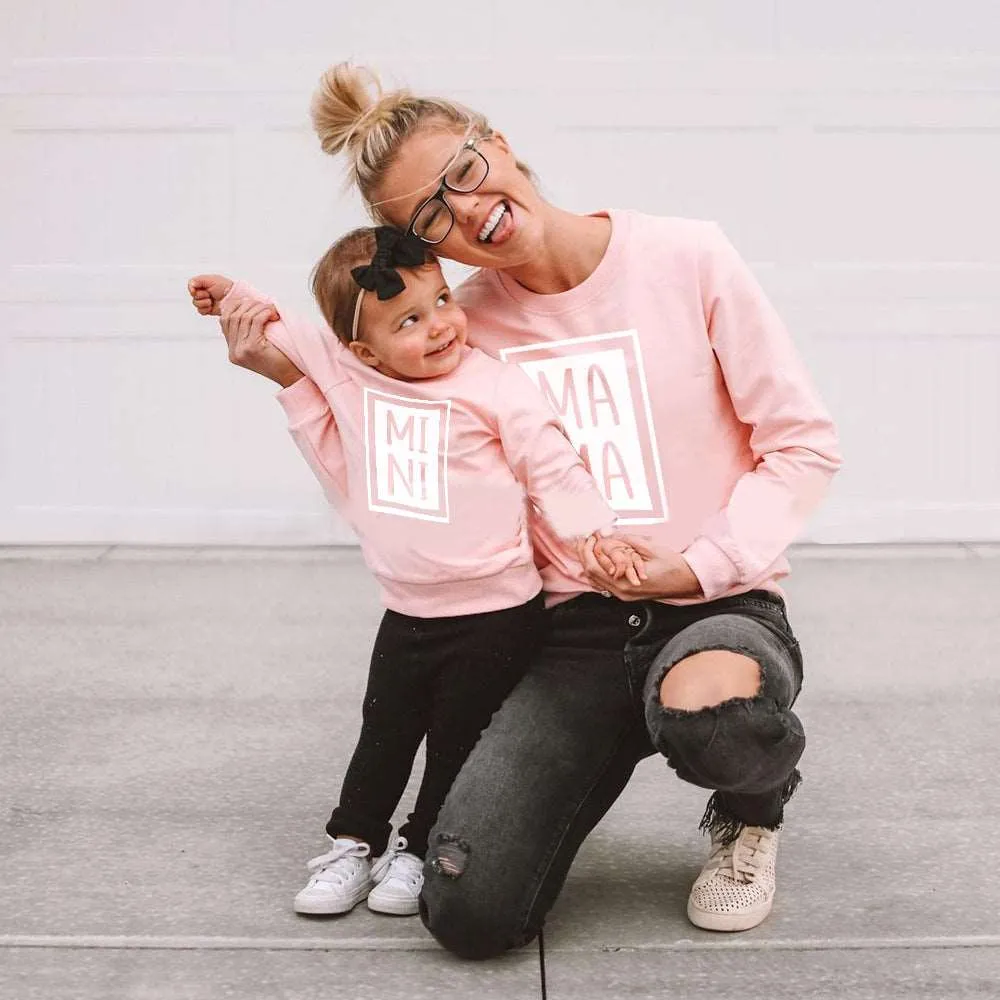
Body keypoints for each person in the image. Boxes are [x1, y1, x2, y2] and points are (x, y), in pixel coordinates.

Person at [201, 61, 842, 955]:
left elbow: (803, 445)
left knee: (721, 717)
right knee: (468, 912)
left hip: (716, 607)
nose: (466, 211)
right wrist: (289, 371)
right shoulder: (448, 331)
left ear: (497, 145)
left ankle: (749, 814)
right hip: (569, 634)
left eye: (462, 172)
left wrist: (698, 565)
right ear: (416, 245)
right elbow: (392, 467)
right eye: (429, 216)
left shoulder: (687, 257)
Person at [188, 226, 641, 919]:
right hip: (408, 613)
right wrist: (229, 298)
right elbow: (285, 328)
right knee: (385, 735)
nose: (438, 326)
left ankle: (416, 847)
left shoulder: (494, 385)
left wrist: (595, 534)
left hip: (497, 614)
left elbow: (550, 463)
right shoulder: (349, 369)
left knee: (455, 743)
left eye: (440, 302)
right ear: (365, 348)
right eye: (409, 321)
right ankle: (351, 844)